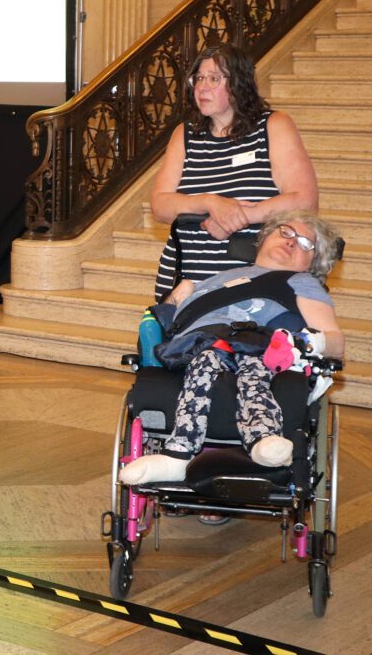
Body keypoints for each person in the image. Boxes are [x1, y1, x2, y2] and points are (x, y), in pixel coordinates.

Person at [120, 211, 343, 485]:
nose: (292, 242)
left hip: (260, 345)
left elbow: (335, 341)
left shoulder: (301, 282)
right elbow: (167, 322)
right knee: (205, 359)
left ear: (313, 263)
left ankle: (263, 441)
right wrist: (177, 296)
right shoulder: (215, 279)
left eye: (306, 244)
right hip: (197, 347)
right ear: (263, 238)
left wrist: (309, 342)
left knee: (253, 370)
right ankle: (177, 455)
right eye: (285, 232)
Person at [151, 43, 318, 303]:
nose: (202, 86)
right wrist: (210, 202)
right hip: (186, 280)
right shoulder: (184, 135)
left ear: (239, 85)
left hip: (253, 282)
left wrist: (236, 217)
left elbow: (304, 200)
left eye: (215, 78)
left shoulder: (273, 126)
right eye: (199, 78)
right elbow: (160, 205)